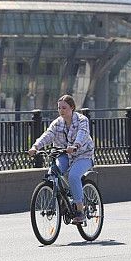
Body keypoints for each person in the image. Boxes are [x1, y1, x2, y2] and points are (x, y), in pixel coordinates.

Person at [28, 95, 95, 223]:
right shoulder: (57, 123)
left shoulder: (82, 120)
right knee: (53, 173)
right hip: (64, 154)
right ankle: (63, 200)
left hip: (83, 155)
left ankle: (80, 211)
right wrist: (35, 146)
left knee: (74, 176)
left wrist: (76, 145)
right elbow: (48, 135)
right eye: (59, 108)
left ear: (72, 108)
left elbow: (83, 133)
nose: (61, 110)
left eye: (64, 108)